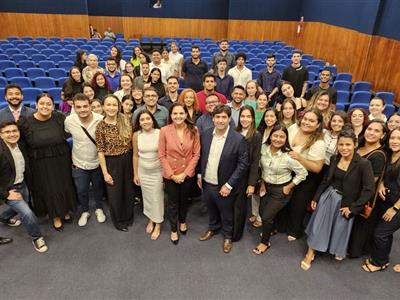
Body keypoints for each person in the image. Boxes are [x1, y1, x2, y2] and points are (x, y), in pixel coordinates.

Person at [301, 130, 375, 270]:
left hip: (347, 203)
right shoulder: (335, 158)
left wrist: (353, 208)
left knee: (339, 229)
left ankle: (332, 248)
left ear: (355, 144)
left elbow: (369, 189)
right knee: (319, 226)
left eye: (348, 144)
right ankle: (310, 253)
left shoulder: (363, 164)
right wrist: (316, 197)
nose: (344, 148)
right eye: (341, 144)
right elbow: (326, 180)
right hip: (329, 197)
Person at [18, 93, 77, 231]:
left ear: (53, 105)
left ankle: (65, 210)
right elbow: (21, 144)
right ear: (36, 104)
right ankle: (55, 216)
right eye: (42, 103)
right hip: (40, 162)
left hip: (61, 158)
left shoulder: (59, 117)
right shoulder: (25, 122)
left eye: (48, 104)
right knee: (49, 189)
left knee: (64, 185)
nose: (45, 106)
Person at [198, 104, 248, 254]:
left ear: (229, 119)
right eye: (217, 117)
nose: (220, 120)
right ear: (212, 118)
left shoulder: (239, 139)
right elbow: (201, 156)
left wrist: (229, 184)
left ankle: (227, 236)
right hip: (207, 182)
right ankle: (213, 228)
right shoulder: (206, 134)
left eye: (224, 117)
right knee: (211, 209)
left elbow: (243, 164)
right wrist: (200, 174)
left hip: (224, 185)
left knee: (227, 213)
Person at [253, 125, 308, 255]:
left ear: (286, 139)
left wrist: (288, 187)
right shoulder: (263, 149)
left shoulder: (288, 155)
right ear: (270, 136)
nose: (278, 139)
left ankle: (264, 242)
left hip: (281, 189)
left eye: (282, 137)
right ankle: (271, 229)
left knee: (266, 216)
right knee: (262, 212)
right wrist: (261, 183)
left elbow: (303, 173)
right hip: (266, 186)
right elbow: (260, 168)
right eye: (275, 135)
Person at [0, 121, 48, 252]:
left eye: (14, 131)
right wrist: (6, 194)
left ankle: (3, 218)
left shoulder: (21, 145)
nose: (12, 134)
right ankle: (37, 237)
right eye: (7, 132)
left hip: (23, 184)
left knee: (23, 205)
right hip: (8, 189)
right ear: (1, 135)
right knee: (27, 213)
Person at [159, 103, 201, 244]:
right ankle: (173, 229)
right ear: (170, 116)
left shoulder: (194, 130)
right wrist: (172, 175)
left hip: (187, 174)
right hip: (171, 175)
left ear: (185, 114)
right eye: (175, 114)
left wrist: (185, 173)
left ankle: (182, 221)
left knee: (184, 201)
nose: (178, 116)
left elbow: (196, 154)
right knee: (172, 203)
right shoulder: (164, 131)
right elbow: (162, 155)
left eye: (181, 113)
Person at [283, 109, 326, 240]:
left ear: (318, 125)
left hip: (306, 178)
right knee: (285, 201)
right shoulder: (293, 128)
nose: (307, 122)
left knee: (298, 205)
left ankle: (295, 231)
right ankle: (282, 225)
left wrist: (300, 157)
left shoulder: (318, 143)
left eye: (312, 121)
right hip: (288, 171)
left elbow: (317, 168)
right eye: (305, 119)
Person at [348, 120, 388, 257]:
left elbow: (369, 183)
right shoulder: (358, 146)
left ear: (383, 135)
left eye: (377, 131)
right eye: (369, 129)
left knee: (357, 226)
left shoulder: (378, 155)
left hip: (359, 195)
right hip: (349, 190)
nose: (371, 133)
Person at [65, 94, 106, 227]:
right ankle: (85, 211)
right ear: (74, 108)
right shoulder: (69, 121)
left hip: (97, 161)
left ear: (90, 106)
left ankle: (99, 208)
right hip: (79, 162)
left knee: (98, 188)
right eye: (79, 107)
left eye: (85, 106)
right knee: (81, 190)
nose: (82, 109)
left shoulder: (101, 119)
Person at [362, 128, 400, 272]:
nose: (395, 141)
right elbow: (384, 175)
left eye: (399, 139)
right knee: (385, 233)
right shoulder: (390, 155)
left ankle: (378, 264)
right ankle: (383, 259)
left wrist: (395, 209)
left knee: (381, 233)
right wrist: (381, 184)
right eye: (393, 138)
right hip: (387, 200)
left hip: (396, 206)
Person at [95, 95, 134, 231]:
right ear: (103, 107)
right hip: (111, 162)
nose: (111, 108)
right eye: (108, 105)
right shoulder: (100, 126)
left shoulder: (125, 120)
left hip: (127, 159)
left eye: (114, 105)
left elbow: (132, 142)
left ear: (119, 107)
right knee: (115, 193)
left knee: (128, 190)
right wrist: (105, 172)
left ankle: (129, 216)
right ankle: (119, 221)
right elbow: (100, 151)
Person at [133, 110, 164, 240]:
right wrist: (135, 174)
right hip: (143, 172)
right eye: (142, 120)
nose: (145, 121)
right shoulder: (136, 135)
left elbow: (164, 154)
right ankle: (151, 219)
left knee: (157, 197)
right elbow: (135, 155)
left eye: (148, 118)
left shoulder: (160, 133)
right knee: (147, 198)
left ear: (152, 120)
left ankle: (158, 224)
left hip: (157, 171)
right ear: (139, 123)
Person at [233, 106, 262, 241]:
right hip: (233, 174)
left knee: (240, 206)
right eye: (242, 116)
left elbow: (255, 161)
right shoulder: (234, 132)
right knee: (230, 203)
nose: (245, 119)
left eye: (248, 117)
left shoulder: (256, 135)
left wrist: (251, 184)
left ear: (252, 119)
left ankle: (236, 234)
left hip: (245, 176)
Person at [322, 111, 349, 177]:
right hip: (317, 163)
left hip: (331, 169)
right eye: (334, 121)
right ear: (330, 122)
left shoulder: (345, 139)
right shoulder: (324, 132)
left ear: (344, 123)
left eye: (340, 121)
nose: (336, 123)